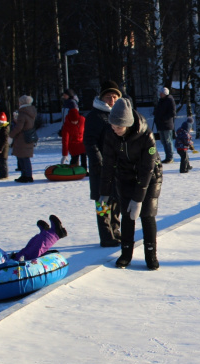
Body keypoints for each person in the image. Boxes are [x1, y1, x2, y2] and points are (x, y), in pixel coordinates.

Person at [99, 98, 163, 270]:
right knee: (127, 214)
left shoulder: (146, 136)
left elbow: (146, 169)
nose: (115, 129)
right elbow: (107, 165)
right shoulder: (111, 134)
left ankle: (151, 255)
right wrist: (104, 193)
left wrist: (139, 199)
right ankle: (126, 253)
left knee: (146, 214)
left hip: (149, 177)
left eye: (119, 127)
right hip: (125, 176)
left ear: (127, 124)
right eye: (113, 126)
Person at [84, 80, 123, 247]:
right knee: (103, 202)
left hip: (117, 167)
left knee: (116, 200)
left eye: (115, 97)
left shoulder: (118, 114)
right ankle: (106, 235)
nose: (112, 100)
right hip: (101, 168)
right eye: (108, 97)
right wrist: (99, 163)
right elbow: (90, 142)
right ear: (102, 98)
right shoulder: (95, 116)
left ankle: (115, 230)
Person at [8, 95, 37, 183]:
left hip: (22, 138)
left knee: (23, 157)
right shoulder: (31, 112)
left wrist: (11, 136)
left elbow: (19, 127)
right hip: (28, 136)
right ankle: (26, 175)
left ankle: (26, 175)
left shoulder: (23, 113)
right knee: (25, 157)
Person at [153, 86, 176, 163]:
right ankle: (167, 156)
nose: (160, 94)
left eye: (161, 93)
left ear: (165, 93)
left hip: (167, 124)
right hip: (160, 124)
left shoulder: (170, 100)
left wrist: (164, 118)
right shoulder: (161, 101)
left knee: (168, 141)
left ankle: (170, 157)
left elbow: (172, 113)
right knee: (163, 141)